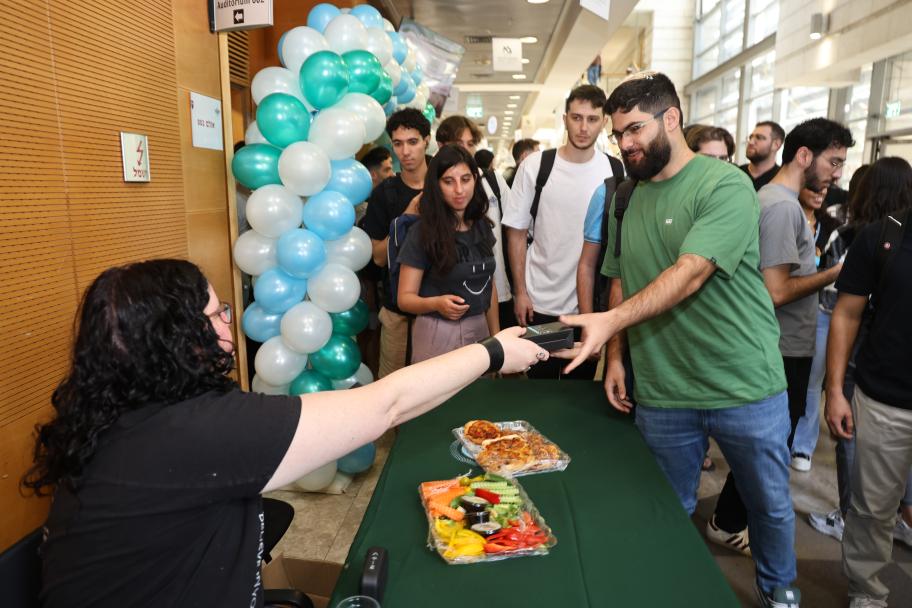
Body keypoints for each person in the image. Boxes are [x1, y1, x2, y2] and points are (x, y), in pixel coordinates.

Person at [23, 259, 547, 607]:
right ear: (174, 339)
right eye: (214, 314)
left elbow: (393, 408)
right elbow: (384, 405)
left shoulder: (129, 414)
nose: (228, 325)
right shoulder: (193, 432)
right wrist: (494, 352)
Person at [556, 71, 800, 608]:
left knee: (770, 506)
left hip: (745, 386)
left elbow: (692, 271)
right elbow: (620, 276)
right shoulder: (626, 195)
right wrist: (616, 356)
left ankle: (779, 593)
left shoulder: (725, 184)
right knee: (663, 505)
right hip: (664, 389)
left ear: (672, 118)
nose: (626, 144)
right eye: (618, 134)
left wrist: (612, 321)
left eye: (635, 129)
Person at [708, 118, 852, 556]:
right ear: (803, 155)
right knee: (768, 444)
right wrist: (834, 274)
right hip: (780, 347)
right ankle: (728, 520)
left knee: (772, 442)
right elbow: (774, 292)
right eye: (833, 161)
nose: (837, 173)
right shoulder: (782, 206)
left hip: (788, 344)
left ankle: (731, 516)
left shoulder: (782, 202)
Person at [807, 158, 912, 548]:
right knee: (864, 452)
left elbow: (835, 304)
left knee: (856, 447)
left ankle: (857, 515)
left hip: (864, 358)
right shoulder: (878, 237)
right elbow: (845, 313)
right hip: (873, 373)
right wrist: (836, 390)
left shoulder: (853, 232)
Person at [502, 84, 620, 380]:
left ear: (603, 122)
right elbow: (515, 232)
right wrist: (520, 292)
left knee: (581, 390)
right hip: (541, 301)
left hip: (591, 306)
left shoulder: (616, 171)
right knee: (540, 387)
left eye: (592, 119)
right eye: (576, 118)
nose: (583, 127)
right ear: (565, 119)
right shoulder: (536, 166)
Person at [397, 145, 500, 362]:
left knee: (481, 395)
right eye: (448, 181)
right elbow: (404, 299)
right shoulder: (422, 232)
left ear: (475, 179)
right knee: (437, 395)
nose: (459, 190)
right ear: (436, 185)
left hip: (479, 329)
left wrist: (497, 339)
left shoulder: (482, 226)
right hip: (436, 331)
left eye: (465, 179)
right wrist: (435, 304)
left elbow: (489, 286)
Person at [360, 108, 431, 378]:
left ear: (426, 139)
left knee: (439, 389)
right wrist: (406, 219)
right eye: (398, 144)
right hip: (397, 309)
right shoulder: (384, 194)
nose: (406, 152)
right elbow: (378, 256)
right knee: (394, 391)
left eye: (413, 142)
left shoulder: (445, 179)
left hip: (440, 305)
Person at [436, 115, 513, 330]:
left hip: (497, 288)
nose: (466, 150)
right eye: (458, 144)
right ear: (442, 146)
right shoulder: (436, 188)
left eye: (470, 144)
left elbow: (513, 228)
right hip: (452, 298)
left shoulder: (493, 181)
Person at [789, 185, 841, 472]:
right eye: (813, 188)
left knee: (812, 382)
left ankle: (803, 446)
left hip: (822, 310)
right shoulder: (788, 218)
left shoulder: (832, 227)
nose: (819, 193)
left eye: (824, 190)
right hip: (790, 311)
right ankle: (783, 437)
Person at [741, 121, 785, 190]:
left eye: (759, 137)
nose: (751, 142)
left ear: (776, 144)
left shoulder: (782, 179)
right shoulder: (736, 173)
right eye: (750, 137)